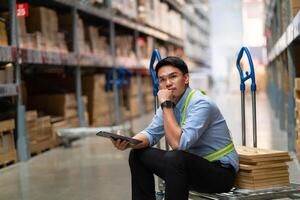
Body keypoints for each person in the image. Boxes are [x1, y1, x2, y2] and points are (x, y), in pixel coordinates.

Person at [111, 56, 239, 200]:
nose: (168, 83)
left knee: (175, 157)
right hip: (190, 168)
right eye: (162, 80)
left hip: (220, 174)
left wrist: (166, 104)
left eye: (173, 77)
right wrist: (130, 142)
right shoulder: (170, 104)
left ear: (186, 79)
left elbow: (178, 144)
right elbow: (151, 133)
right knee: (137, 154)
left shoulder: (201, 104)